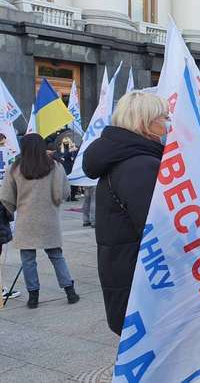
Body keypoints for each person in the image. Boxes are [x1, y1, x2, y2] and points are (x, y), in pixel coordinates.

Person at [83, 92, 167, 334]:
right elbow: (156, 230)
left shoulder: (125, 160)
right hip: (144, 280)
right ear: (145, 123)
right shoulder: (140, 165)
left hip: (125, 272)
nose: (167, 124)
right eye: (164, 117)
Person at [0, 133, 75, 309]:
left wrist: (15, 207)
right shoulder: (55, 166)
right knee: (56, 256)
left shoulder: (15, 168)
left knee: (28, 260)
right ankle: (70, 291)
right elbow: (64, 193)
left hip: (26, 220)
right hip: (49, 219)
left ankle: (33, 297)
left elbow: (6, 197)